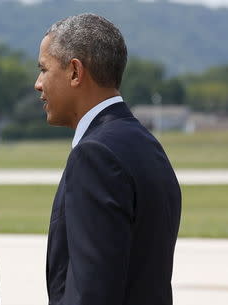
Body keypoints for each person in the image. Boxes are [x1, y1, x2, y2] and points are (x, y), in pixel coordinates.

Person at [34, 14, 181, 305]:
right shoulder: (145, 144)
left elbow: (91, 291)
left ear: (75, 72)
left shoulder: (95, 155)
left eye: (43, 69)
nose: (38, 83)